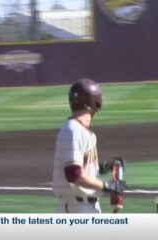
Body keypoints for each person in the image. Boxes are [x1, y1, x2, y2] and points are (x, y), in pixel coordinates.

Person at [52, 79, 125, 213]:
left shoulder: (81, 131)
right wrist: (108, 186)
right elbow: (74, 174)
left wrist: (102, 167)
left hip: (87, 206)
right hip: (76, 208)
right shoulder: (72, 131)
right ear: (95, 102)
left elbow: (80, 167)